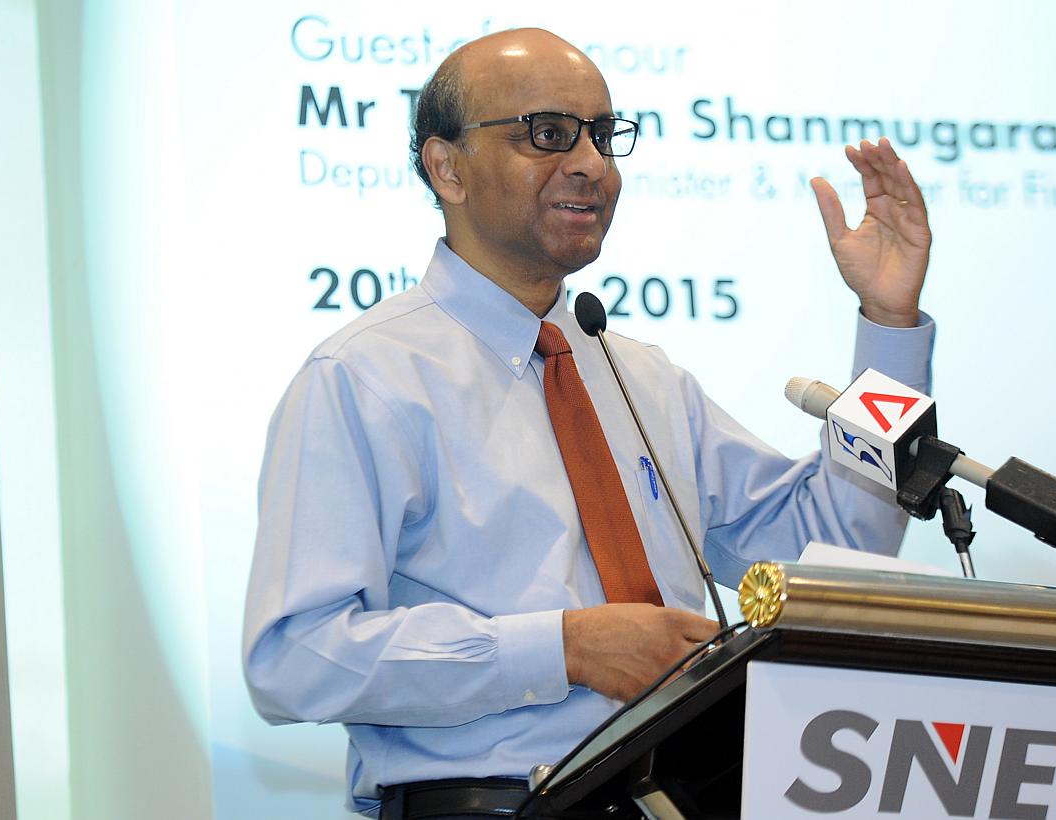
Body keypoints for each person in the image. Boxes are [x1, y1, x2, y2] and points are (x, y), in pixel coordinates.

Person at [243, 27, 934, 818]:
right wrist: (563, 648)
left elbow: (834, 557)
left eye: (604, 136)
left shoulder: (637, 375)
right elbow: (293, 658)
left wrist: (887, 322)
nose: (591, 165)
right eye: (547, 134)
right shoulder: (365, 378)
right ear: (447, 167)